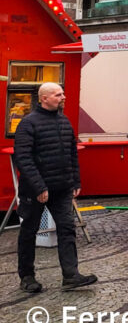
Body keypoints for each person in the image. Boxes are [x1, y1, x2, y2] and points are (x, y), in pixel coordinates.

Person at [14, 82, 97, 292]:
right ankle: (27, 277)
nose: (63, 97)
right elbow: (23, 158)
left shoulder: (64, 121)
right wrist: (39, 187)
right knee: (29, 231)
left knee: (67, 229)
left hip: (62, 188)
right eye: (58, 94)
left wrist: (75, 182)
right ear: (44, 98)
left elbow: (71, 154)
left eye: (63, 93)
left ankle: (71, 275)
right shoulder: (28, 123)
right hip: (36, 190)